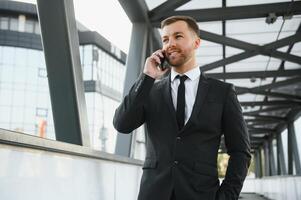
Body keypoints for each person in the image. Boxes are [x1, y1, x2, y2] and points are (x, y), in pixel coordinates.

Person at [113, 15, 251, 200]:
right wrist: (147, 77)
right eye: (165, 39)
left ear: (196, 42)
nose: (170, 43)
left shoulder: (222, 93)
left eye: (178, 36)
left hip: (202, 195)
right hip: (154, 194)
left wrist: (227, 196)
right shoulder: (150, 90)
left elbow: (241, 151)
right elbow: (122, 124)